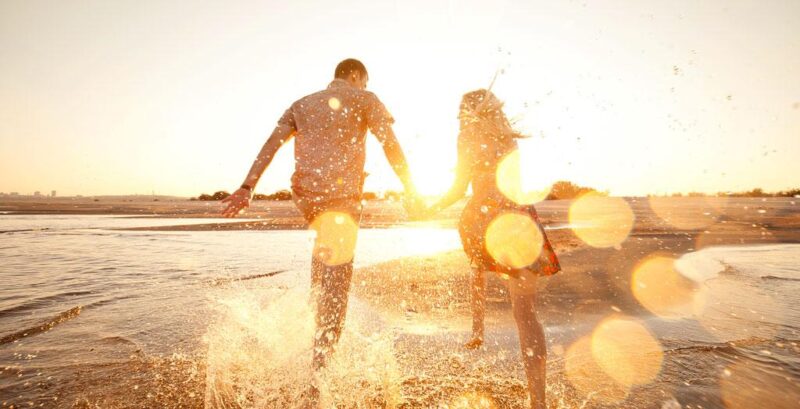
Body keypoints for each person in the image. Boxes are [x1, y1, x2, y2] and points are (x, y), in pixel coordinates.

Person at [221, 58, 418, 383]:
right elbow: (389, 143)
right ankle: (319, 375)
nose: (364, 87)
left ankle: (311, 337)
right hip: (341, 198)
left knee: (322, 265)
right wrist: (411, 187)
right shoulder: (365, 99)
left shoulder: (302, 103)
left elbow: (271, 145)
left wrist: (247, 187)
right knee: (337, 286)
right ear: (356, 76)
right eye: (364, 82)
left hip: (307, 197)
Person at [422, 89, 560, 409]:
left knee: (477, 263)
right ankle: (538, 401)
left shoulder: (466, 136)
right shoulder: (508, 137)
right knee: (526, 314)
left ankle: (478, 328)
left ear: (467, 112)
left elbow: (458, 188)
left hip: (484, 217)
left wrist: (429, 208)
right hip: (519, 219)